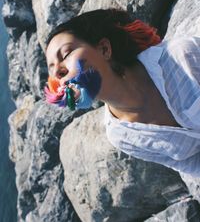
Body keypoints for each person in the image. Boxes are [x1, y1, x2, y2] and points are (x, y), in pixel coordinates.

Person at [45, 9, 200, 177]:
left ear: (104, 49)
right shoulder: (122, 135)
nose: (58, 74)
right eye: (53, 71)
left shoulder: (183, 56)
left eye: (66, 54)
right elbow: (190, 165)